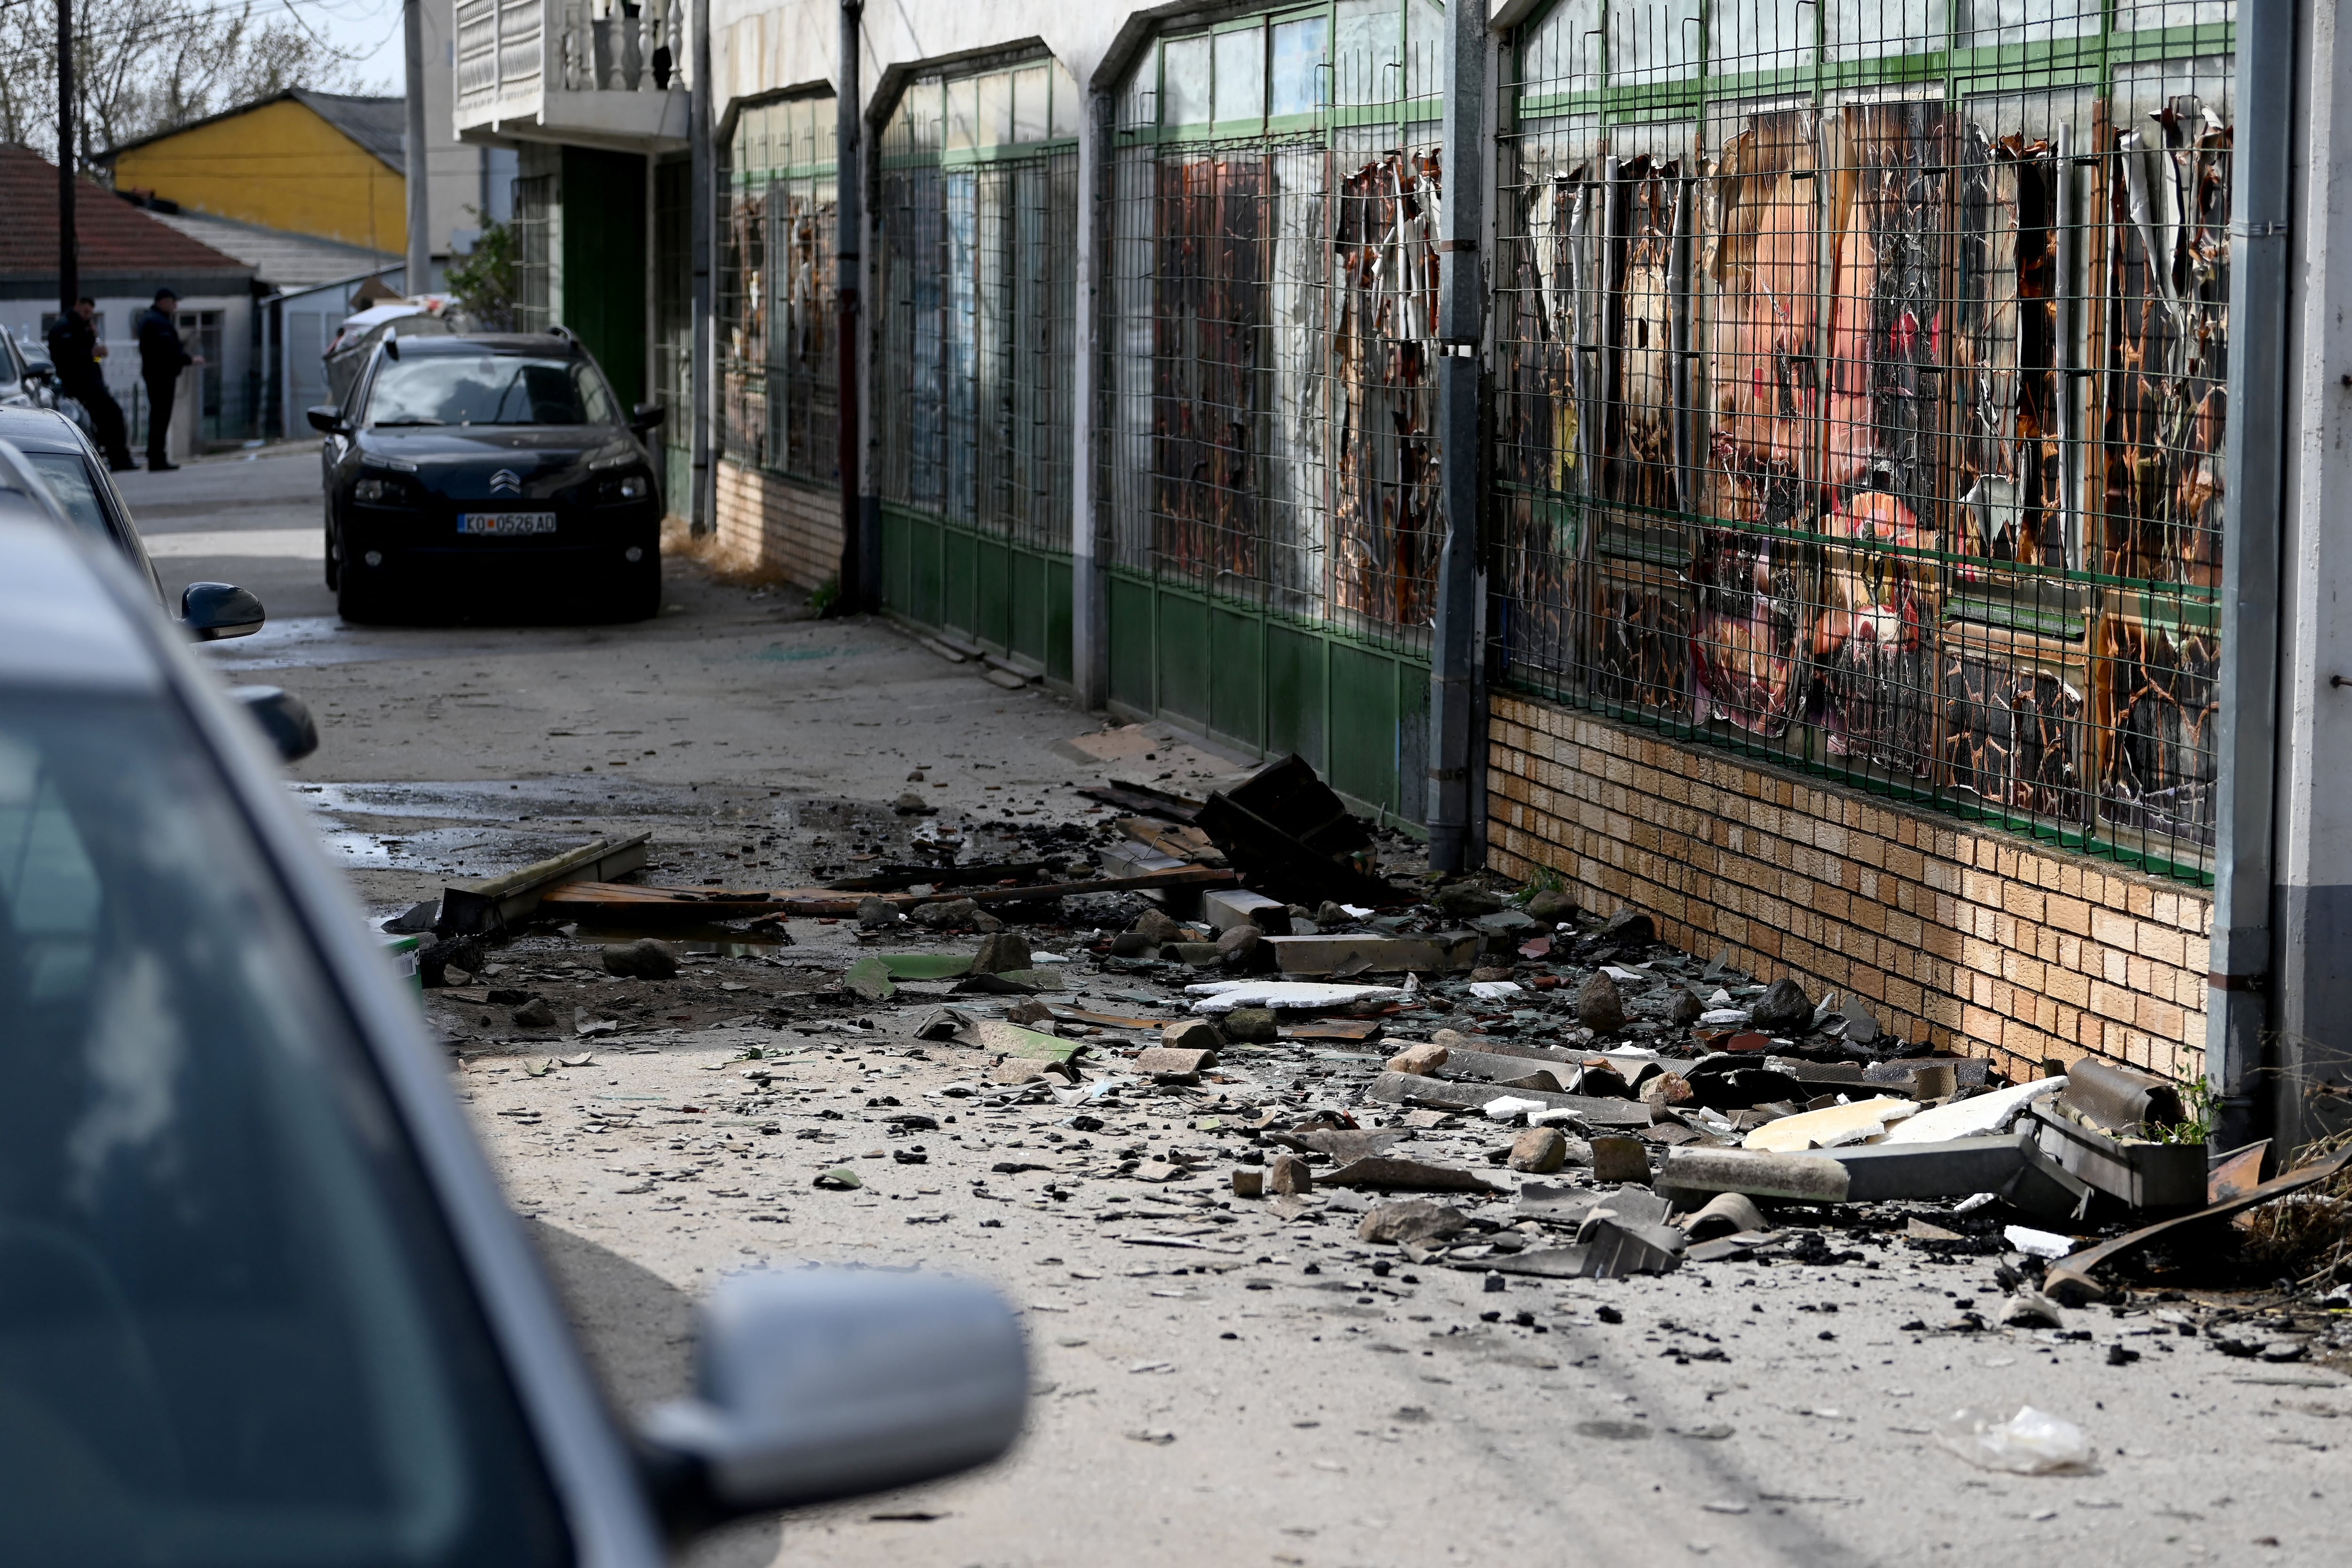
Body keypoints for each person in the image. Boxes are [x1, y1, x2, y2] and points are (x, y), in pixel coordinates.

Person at [45, 297, 135, 471]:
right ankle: (117, 458)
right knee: (110, 416)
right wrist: (91, 353)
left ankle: (119, 458)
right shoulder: (64, 327)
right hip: (79, 383)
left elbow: (94, 358)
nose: (87, 316)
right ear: (77, 306)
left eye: (90, 313)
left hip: (92, 380)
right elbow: (67, 357)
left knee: (110, 418)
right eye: (85, 312)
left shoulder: (85, 327)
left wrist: (98, 351)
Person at [136, 288, 202, 472]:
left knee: (160, 416)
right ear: (164, 302)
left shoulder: (157, 321)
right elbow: (167, 351)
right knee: (160, 417)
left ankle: (156, 456)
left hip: (159, 374)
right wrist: (188, 360)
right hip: (161, 376)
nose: (176, 306)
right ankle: (157, 458)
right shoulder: (157, 323)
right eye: (173, 301)